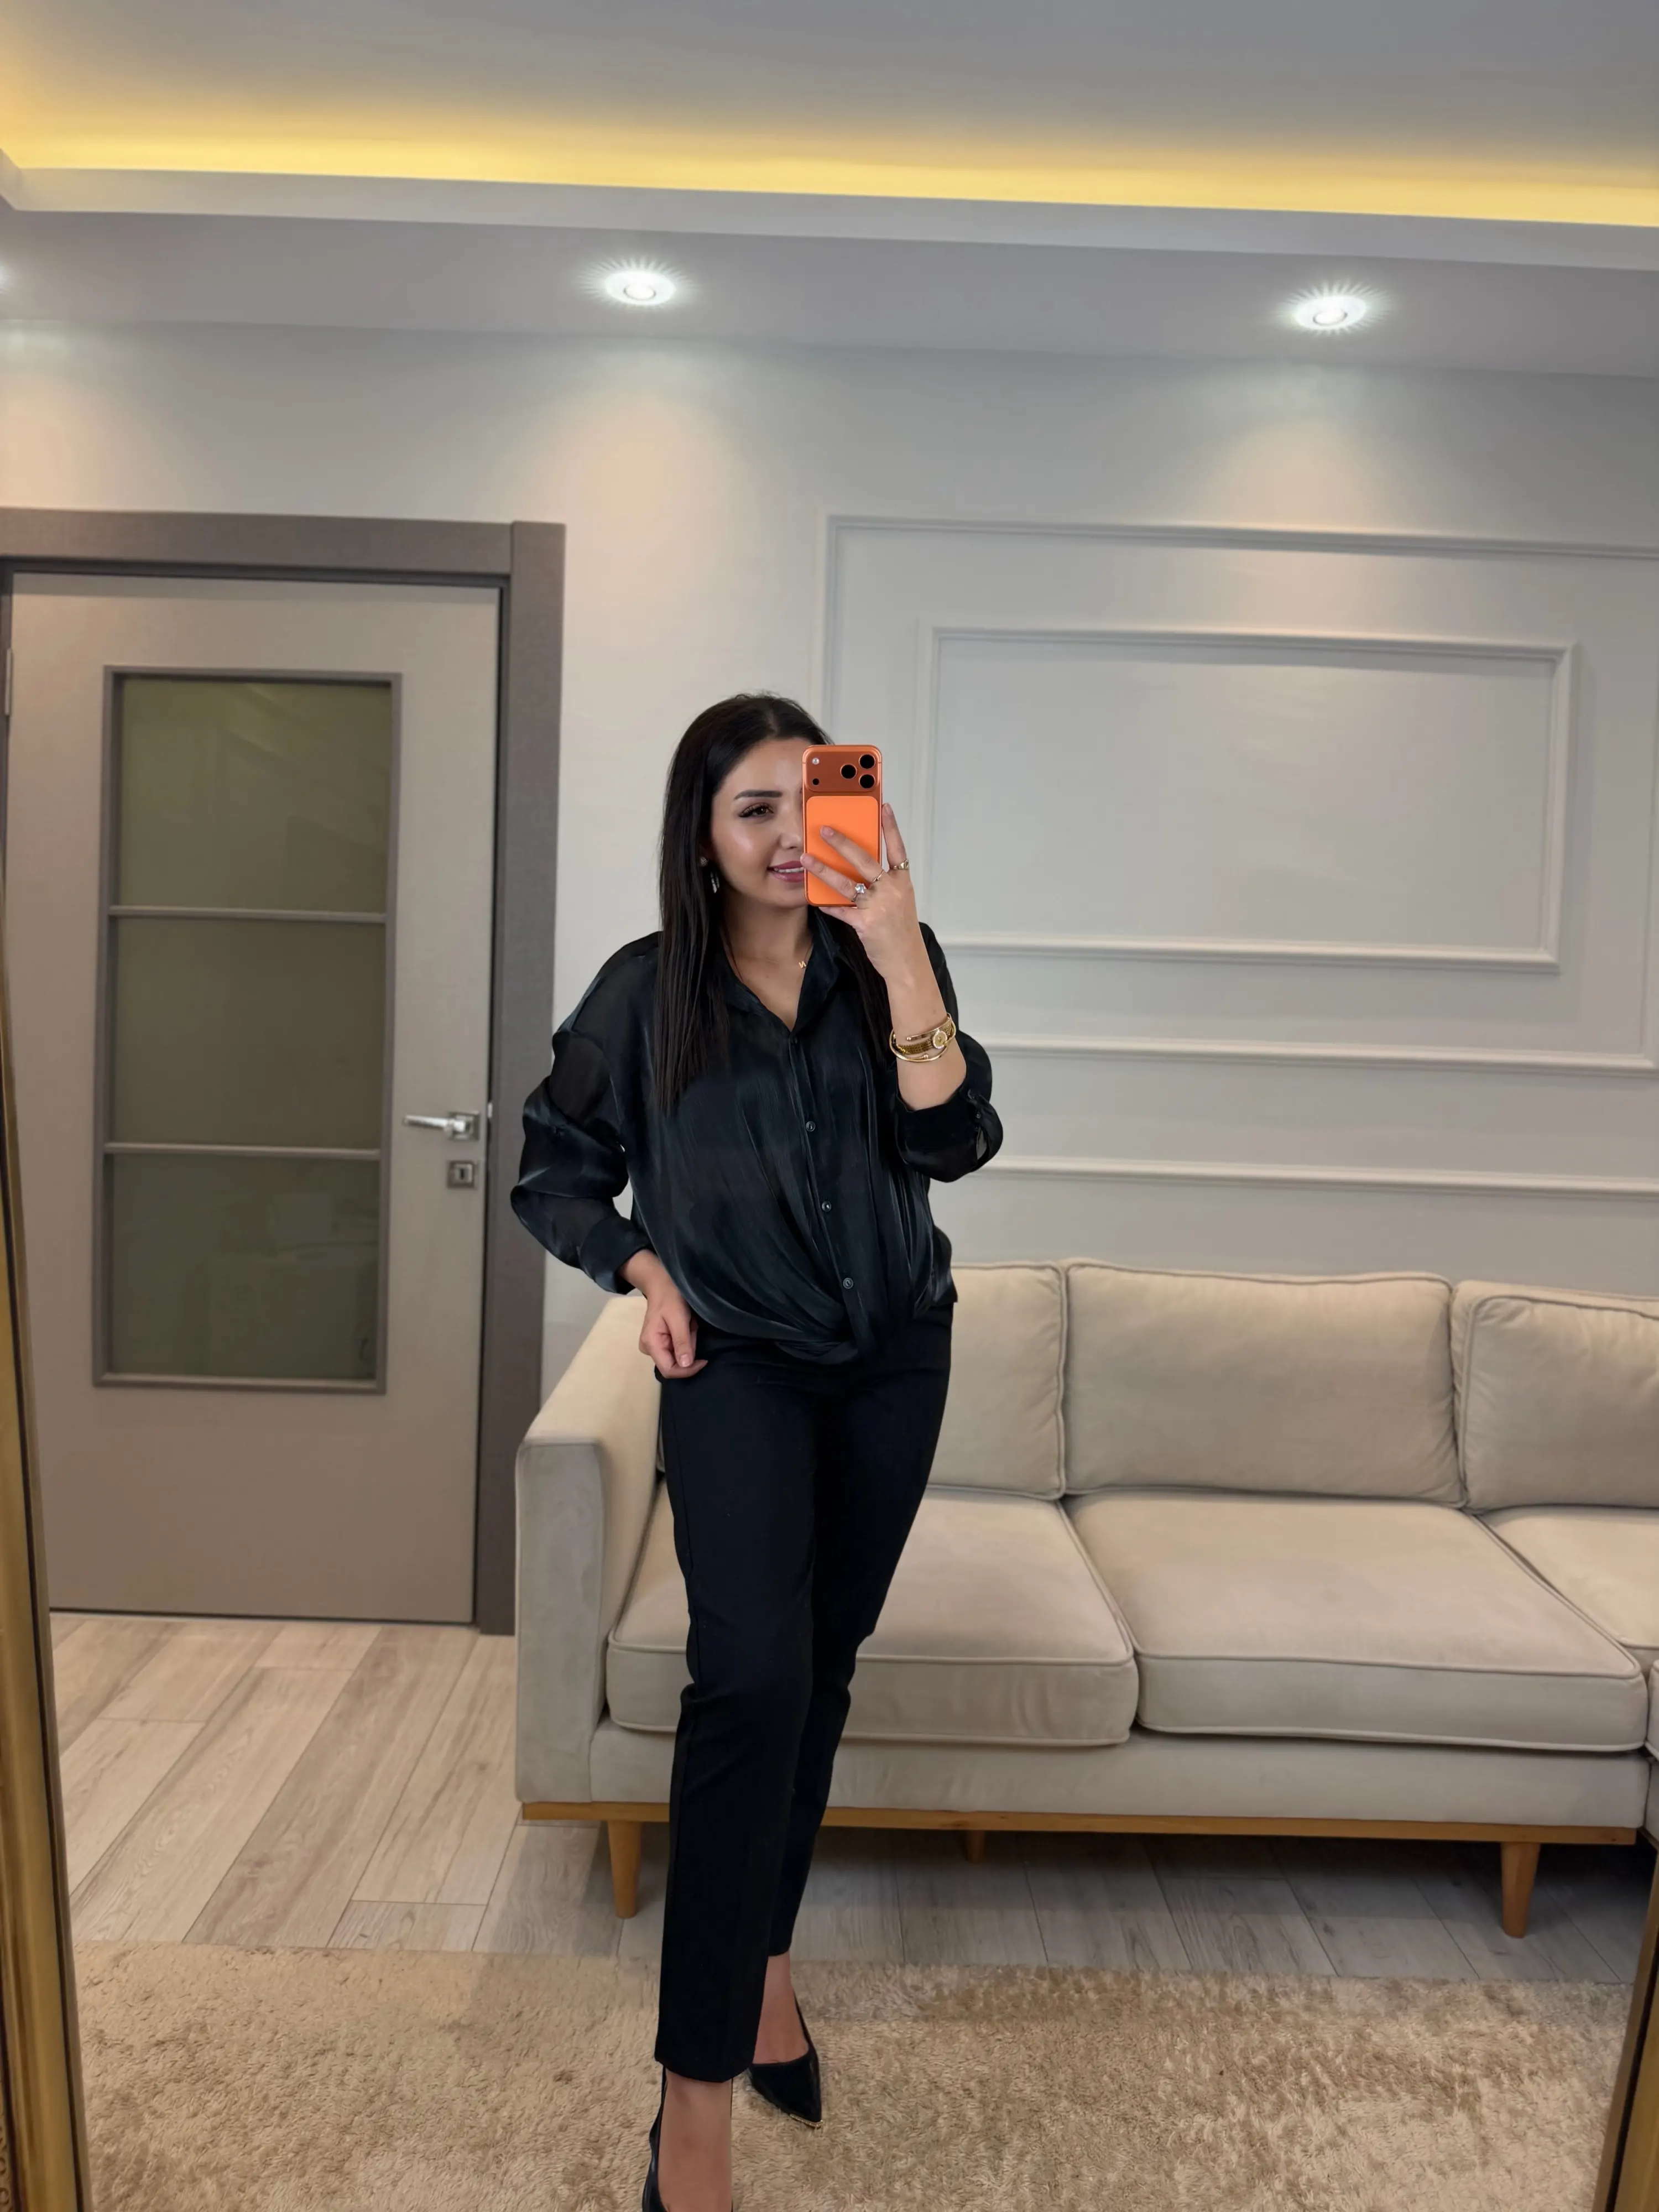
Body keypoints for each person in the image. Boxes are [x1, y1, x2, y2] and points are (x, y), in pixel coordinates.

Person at [511, 691, 1003, 2212]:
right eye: (755, 810)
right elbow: (555, 1172)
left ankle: (767, 1966)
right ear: (704, 833)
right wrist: (643, 1270)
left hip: (894, 1363)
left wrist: (900, 946)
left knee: (819, 1672)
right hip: (736, 1372)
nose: (792, 836)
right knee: (749, 1683)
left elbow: (952, 1140)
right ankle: (695, 2101)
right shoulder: (643, 992)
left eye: (814, 801)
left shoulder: (883, 965)